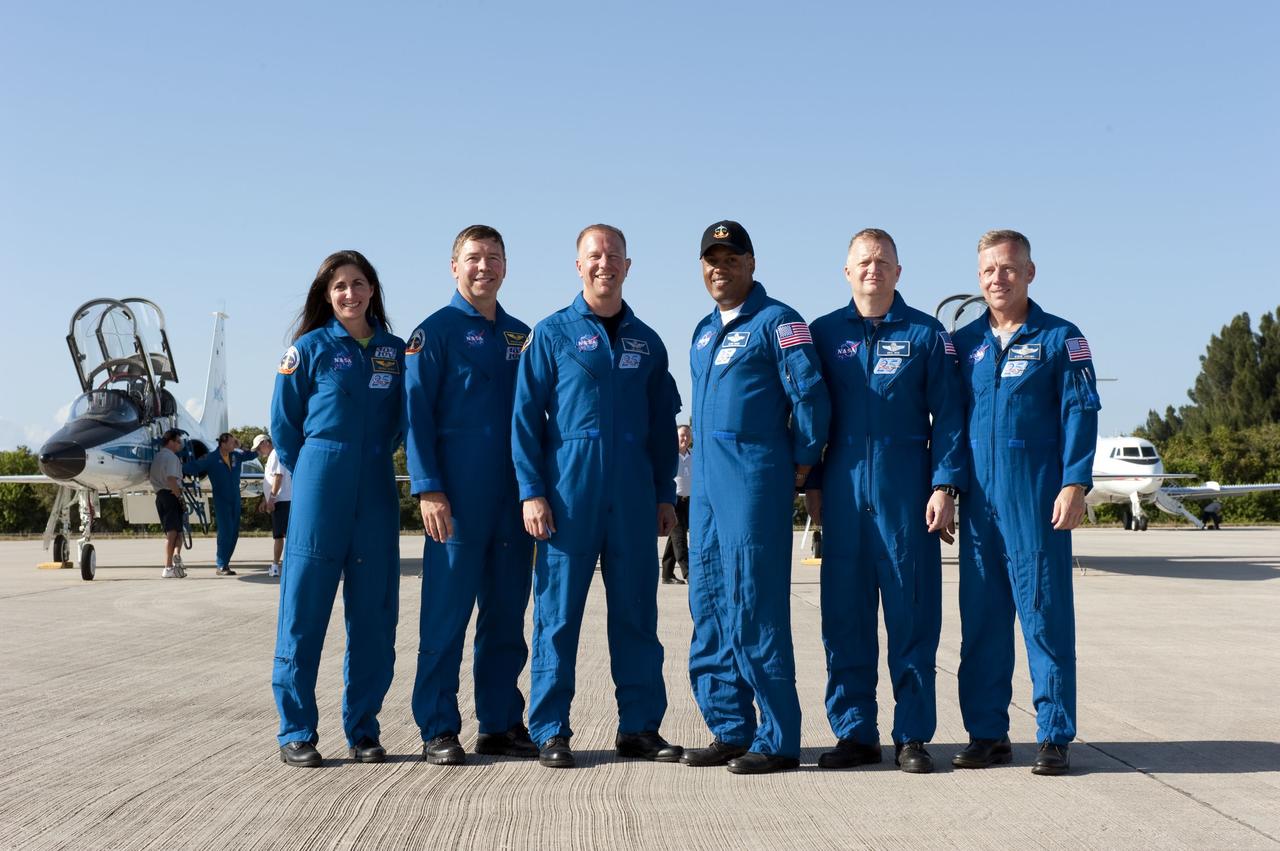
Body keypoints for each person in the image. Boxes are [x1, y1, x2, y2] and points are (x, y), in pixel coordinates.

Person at [512, 224, 683, 769]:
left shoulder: (647, 342)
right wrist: (532, 492)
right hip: (568, 495)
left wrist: (662, 494)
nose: (603, 263)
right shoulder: (552, 334)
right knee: (557, 617)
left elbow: (662, 426)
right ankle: (550, 729)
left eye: (613, 255)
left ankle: (639, 727)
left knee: (636, 615)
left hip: (633, 497)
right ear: (578, 265)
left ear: (628, 266)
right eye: (593, 255)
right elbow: (524, 421)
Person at [806, 229, 967, 774]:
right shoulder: (822, 334)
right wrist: (812, 485)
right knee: (844, 620)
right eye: (863, 262)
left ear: (899, 271)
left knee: (912, 616)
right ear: (846, 272)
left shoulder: (926, 335)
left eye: (883, 261)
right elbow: (811, 414)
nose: (872, 269)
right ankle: (855, 733)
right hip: (845, 492)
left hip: (906, 495)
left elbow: (948, 415)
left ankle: (913, 735)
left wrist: (945, 486)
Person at [682, 220, 830, 775]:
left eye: (731, 257)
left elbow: (810, 395)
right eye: (710, 259)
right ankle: (729, 728)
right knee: (710, 606)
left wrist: (801, 460)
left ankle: (779, 737)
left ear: (752, 263)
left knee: (755, 604)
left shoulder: (779, 322)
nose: (720, 267)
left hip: (754, 481)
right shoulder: (701, 331)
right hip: (709, 490)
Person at [952, 230, 1100, 776]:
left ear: (1030, 273)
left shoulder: (1061, 338)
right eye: (989, 270)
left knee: (1044, 616)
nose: (999, 278)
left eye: (1009, 268)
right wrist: (946, 487)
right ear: (979, 277)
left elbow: (1081, 410)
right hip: (979, 506)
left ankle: (1055, 736)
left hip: (1035, 499)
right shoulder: (963, 344)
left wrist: (1075, 482)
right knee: (983, 623)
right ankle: (987, 733)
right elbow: (948, 422)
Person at [404, 225, 536, 765]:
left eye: (494, 258)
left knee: (506, 616)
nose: (484, 267)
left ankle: (501, 723)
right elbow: (416, 417)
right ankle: (438, 726)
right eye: (473, 258)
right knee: (446, 615)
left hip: (513, 497)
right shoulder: (431, 334)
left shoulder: (523, 336)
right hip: (455, 498)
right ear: (454, 267)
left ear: (506, 267)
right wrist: (429, 488)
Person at [269, 249, 406, 768]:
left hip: (374, 484)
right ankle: (296, 730)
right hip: (319, 484)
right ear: (328, 297)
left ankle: (364, 729)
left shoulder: (397, 352)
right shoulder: (307, 350)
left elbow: (401, 422)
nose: (349, 294)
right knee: (303, 613)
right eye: (339, 287)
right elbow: (284, 426)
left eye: (358, 283)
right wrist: (318, 470)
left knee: (374, 616)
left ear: (372, 289)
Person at [184, 432, 255, 575]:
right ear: (223, 444)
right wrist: (175, 466)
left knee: (234, 532)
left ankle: (226, 564)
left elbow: (252, 455)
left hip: (235, 498)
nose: (233, 445)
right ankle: (221, 565)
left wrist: (241, 445)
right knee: (225, 532)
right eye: (231, 442)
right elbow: (193, 467)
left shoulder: (236, 455)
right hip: (221, 500)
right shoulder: (211, 458)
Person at [151, 429, 187, 578]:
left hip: (160, 495)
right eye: (178, 442)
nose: (180, 445)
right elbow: (171, 479)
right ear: (171, 442)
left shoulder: (157, 457)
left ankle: (176, 557)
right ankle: (168, 567)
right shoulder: (172, 458)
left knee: (177, 531)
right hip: (171, 495)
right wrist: (179, 497)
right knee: (173, 533)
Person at [254, 434, 291, 578]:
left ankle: (276, 566)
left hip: (281, 501)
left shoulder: (275, 454)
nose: (258, 451)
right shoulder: (273, 456)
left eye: (258, 447)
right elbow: (271, 480)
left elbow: (278, 477)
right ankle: (280, 565)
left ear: (265, 443)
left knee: (280, 535)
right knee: (282, 535)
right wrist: (266, 499)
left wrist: (272, 499)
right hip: (280, 500)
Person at [660, 424, 693, 584]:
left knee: (674, 539)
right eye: (682, 435)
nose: (685, 439)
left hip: (688, 502)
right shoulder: (670, 455)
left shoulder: (693, 455)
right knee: (679, 539)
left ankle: (667, 574)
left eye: (688, 436)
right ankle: (689, 573)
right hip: (674, 502)